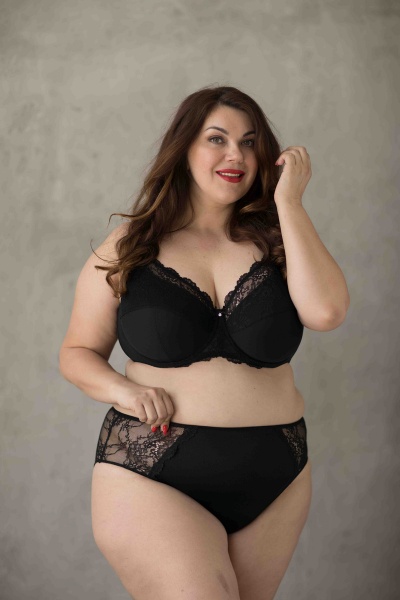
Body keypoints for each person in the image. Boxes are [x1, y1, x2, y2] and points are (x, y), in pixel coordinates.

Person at [59, 85, 350, 600]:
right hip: (153, 471)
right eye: (217, 139)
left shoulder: (280, 243)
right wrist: (125, 391)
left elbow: (326, 312)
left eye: (249, 142)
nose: (235, 155)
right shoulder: (132, 246)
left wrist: (289, 203)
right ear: (184, 148)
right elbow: (77, 353)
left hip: (277, 475)